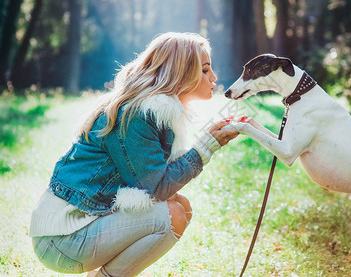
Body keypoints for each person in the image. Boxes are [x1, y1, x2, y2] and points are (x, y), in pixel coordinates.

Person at [30, 32, 243, 276]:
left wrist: (207, 143)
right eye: (205, 70)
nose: (213, 77)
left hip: (76, 228)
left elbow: (157, 182)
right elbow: (156, 187)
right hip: (61, 239)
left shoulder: (152, 110)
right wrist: (206, 147)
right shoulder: (137, 116)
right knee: (172, 214)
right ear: (181, 73)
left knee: (180, 205)